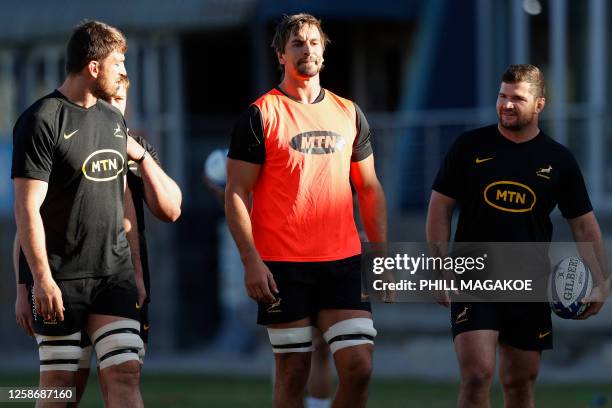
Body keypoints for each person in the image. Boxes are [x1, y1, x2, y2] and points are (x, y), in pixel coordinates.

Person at [225, 13, 387, 408]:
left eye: (314, 42)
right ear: (281, 54)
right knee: (293, 374)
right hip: (282, 267)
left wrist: (380, 250)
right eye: (297, 44)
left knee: (359, 367)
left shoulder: (349, 112)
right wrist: (250, 260)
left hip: (344, 260)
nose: (308, 50)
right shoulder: (260, 115)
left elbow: (368, 186)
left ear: (324, 51)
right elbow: (236, 193)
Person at [426, 64, 609, 408]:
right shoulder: (469, 146)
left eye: (517, 99)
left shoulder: (558, 160)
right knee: (478, 374)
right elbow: (439, 208)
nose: (506, 105)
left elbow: (583, 224)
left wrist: (601, 279)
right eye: (502, 96)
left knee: (520, 382)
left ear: (540, 104)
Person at [12, 21, 142, 407]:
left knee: (125, 371)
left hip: (113, 275)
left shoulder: (113, 119)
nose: (123, 72)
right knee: (59, 386)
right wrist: (39, 281)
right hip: (60, 279)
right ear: (93, 67)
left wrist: (135, 270)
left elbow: (122, 203)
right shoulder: (41, 120)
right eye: (118, 62)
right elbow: (26, 209)